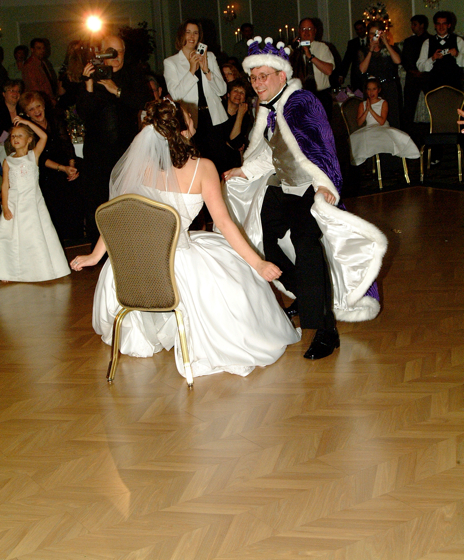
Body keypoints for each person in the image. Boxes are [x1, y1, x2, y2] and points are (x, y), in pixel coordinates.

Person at [70, 98, 300, 378]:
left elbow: (121, 217)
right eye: (190, 117)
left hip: (136, 264)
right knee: (236, 277)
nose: (193, 119)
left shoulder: (142, 166)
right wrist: (257, 263)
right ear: (184, 129)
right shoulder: (203, 168)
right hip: (177, 263)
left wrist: (95, 256)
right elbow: (224, 223)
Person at [222, 37, 386, 360]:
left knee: (306, 245)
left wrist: (325, 185)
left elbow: (322, 147)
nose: (257, 83)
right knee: (264, 242)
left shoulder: (302, 101)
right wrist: (244, 170)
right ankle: (304, 293)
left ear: (282, 75)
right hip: (281, 186)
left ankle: (325, 330)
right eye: (253, 78)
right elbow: (273, 152)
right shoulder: (268, 107)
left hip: (308, 188)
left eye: (263, 76)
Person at [76, 34, 147, 246]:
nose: (115, 57)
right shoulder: (93, 76)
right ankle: (99, 252)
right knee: (98, 204)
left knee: (127, 201)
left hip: (126, 153)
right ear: (101, 54)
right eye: (110, 52)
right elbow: (84, 113)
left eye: (119, 52)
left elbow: (142, 101)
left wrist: (116, 90)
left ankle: (128, 247)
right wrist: (88, 84)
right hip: (97, 155)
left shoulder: (133, 75)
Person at [0, 117, 70, 282]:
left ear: (29, 139)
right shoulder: (8, 161)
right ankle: (8, 271)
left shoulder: (33, 155)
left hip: (32, 203)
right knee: (10, 236)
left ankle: (41, 269)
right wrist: (5, 207)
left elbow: (44, 136)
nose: (16, 139)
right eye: (13, 136)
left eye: (20, 135)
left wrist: (27, 122)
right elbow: (5, 185)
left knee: (35, 234)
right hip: (14, 203)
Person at [20, 91, 84, 243]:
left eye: (38, 106)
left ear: (43, 106)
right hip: (46, 170)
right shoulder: (28, 130)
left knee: (78, 187)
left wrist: (71, 166)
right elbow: (40, 159)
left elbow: (67, 144)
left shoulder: (54, 120)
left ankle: (78, 238)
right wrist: (63, 168)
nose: (36, 111)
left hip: (64, 165)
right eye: (31, 109)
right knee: (55, 199)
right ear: (27, 114)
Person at [163, 19, 227, 170]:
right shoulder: (171, 62)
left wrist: (206, 70)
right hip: (191, 121)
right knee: (196, 164)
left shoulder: (209, 56)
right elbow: (175, 94)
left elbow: (222, 90)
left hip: (213, 118)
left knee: (219, 163)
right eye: (188, 32)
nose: (192, 36)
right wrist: (192, 70)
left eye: (196, 33)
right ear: (181, 35)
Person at [350, 77, 420, 166]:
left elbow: (382, 121)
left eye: (374, 89)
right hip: (369, 128)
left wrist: (371, 110)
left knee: (390, 136)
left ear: (379, 90)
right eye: (369, 89)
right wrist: (366, 110)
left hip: (382, 127)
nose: (371, 92)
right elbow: (359, 123)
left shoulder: (383, 103)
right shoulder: (362, 104)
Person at [358, 22, 402, 128]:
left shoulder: (390, 48)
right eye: (371, 33)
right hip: (373, 89)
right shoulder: (363, 50)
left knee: (392, 118)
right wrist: (371, 50)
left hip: (389, 87)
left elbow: (397, 61)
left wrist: (386, 43)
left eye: (376, 33)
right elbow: (362, 69)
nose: (374, 36)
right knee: (373, 118)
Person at [289, 18, 334, 120]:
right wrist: (292, 48)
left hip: (321, 96)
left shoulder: (322, 48)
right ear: (299, 31)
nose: (306, 32)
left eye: (309, 29)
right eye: (303, 29)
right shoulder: (294, 49)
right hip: (300, 97)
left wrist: (310, 56)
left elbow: (328, 70)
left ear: (315, 31)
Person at [417, 10, 464, 92]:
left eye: (444, 23)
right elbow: (420, 66)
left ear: (449, 25)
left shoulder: (458, 40)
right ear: (435, 25)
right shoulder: (427, 42)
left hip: (454, 86)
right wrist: (432, 58)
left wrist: (457, 55)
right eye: (438, 24)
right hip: (433, 87)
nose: (441, 27)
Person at [401, 15, 430, 133]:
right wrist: (412, 70)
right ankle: (407, 132)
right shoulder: (408, 41)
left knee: (433, 102)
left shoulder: (430, 40)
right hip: (412, 75)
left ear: (422, 25)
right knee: (408, 106)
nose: (412, 27)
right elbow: (404, 59)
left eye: (415, 24)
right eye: (412, 24)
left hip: (426, 76)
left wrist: (423, 71)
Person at [22, 38, 57, 103]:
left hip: (48, 99)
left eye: (43, 48)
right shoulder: (29, 66)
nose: (42, 51)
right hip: (40, 101)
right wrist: (48, 100)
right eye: (39, 48)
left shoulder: (43, 63)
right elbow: (33, 88)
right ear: (32, 49)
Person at [337, 20, 367, 93]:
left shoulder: (371, 41)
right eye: (357, 29)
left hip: (369, 75)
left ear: (365, 29)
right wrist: (342, 75)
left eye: (361, 29)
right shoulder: (353, 43)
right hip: (356, 76)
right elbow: (347, 60)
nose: (359, 31)